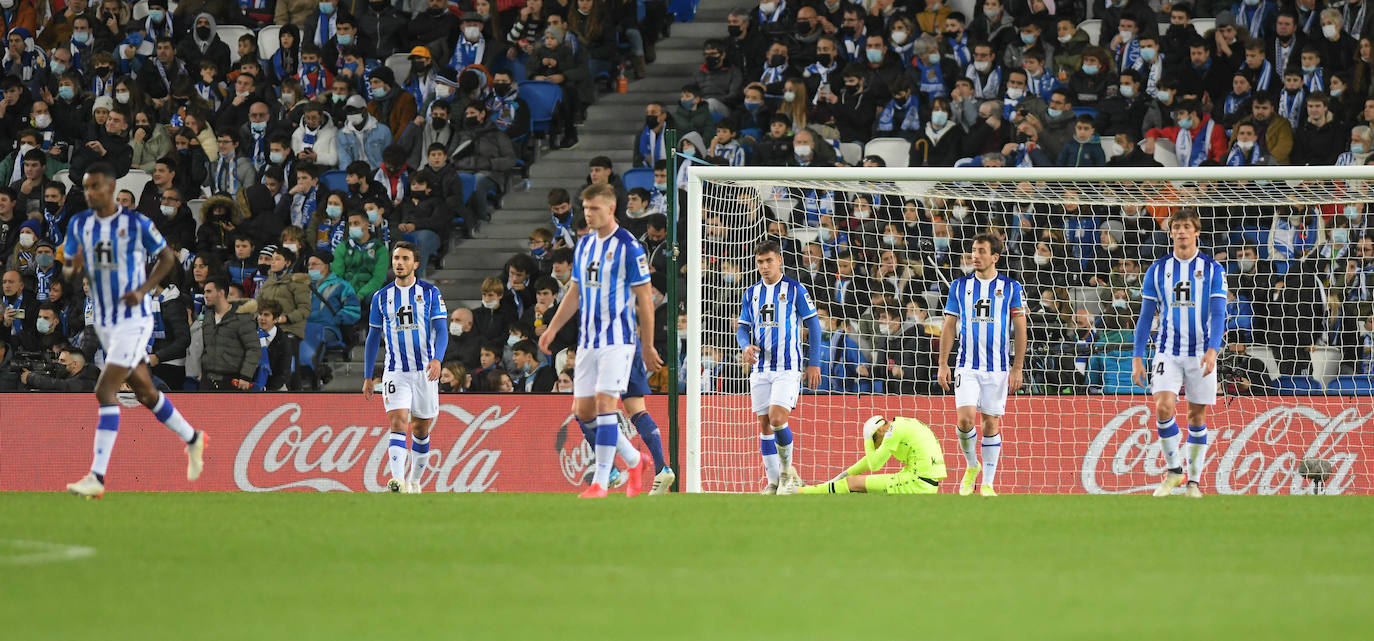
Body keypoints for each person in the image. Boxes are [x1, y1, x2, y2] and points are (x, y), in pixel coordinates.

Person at [58, 162, 206, 499]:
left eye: (95, 186)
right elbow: (68, 268)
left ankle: (96, 476)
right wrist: (72, 266)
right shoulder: (80, 223)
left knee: (104, 389)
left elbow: (167, 258)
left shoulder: (136, 223)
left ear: (110, 188)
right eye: (85, 188)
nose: (90, 193)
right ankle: (194, 438)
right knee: (145, 392)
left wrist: (143, 289)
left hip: (135, 318)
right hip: (107, 320)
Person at [538, 182, 662, 499]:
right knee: (583, 411)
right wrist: (552, 328)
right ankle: (635, 460)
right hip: (588, 341)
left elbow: (645, 301)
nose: (588, 214)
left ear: (611, 209)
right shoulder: (584, 245)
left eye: (594, 208)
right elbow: (576, 292)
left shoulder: (629, 247)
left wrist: (647, 345)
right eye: (586, 209)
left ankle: (601, 482)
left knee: (607, 405)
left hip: (618, 340)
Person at [1131, 209, 1226, 499]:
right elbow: (1146, 316)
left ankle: (1194, 482)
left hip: (1200, 352)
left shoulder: (1212, 269)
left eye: (1187, 227)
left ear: (1197, 232)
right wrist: (1137, 357)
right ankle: (1174, 470)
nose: (1182, 232)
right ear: (1170, 232)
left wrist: (1213, 350)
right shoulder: (1157, 270)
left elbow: (1220, 312)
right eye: (1177, 227)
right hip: (1167, 351)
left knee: (1196, 415)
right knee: (1163, 406)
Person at [936, 232, 1027, 498]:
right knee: (965, 420)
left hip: (998, 368)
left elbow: (1020, 329)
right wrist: (943, 363)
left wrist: (1017, 367)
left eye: (981, 251)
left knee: (990, 424)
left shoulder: (1011, 288)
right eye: (973, 250)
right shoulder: (959, 286)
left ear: (995, 257)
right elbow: (949, 326)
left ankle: (987, 483)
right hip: (967, 365)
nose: (975, 255)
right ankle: (971, 466)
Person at [736, 240, 822, 495]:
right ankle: (774, 481)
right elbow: (743, 327)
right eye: (760, 262)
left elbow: (814, 326)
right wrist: (744, 345)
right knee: (764, 424)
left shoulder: (795, 289)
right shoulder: (751, 293)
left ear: (779, 260)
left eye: (769, 261)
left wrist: (814, 363)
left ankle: (788, 473)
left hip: (788, 366)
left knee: (776, 419)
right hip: (760, 368)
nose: (764, 266)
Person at [362, 241, 448, 494]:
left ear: (415, 263)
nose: (399, 263)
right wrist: (368, 376)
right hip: (396, 371)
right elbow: (372, 338)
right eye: (396, 258)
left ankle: (415, 480)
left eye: (405, 258)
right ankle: (397, 481)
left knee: (421, 429)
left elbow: (442, 330)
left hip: (425, 372)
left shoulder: (430, 293)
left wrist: (438, 359)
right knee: (398, 421)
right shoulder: (381, 297)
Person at [796, 415, 948, 495]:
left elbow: (875, 465)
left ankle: (798, 491)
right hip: (925, 482)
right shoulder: (903, 425)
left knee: (850, 484)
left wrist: (868, 440)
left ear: (879, 432)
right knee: (854, 486)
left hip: (917, 483)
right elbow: (869, 461)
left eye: (876, 443)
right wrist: (841, 475)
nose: (876, 447)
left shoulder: (893, 431)